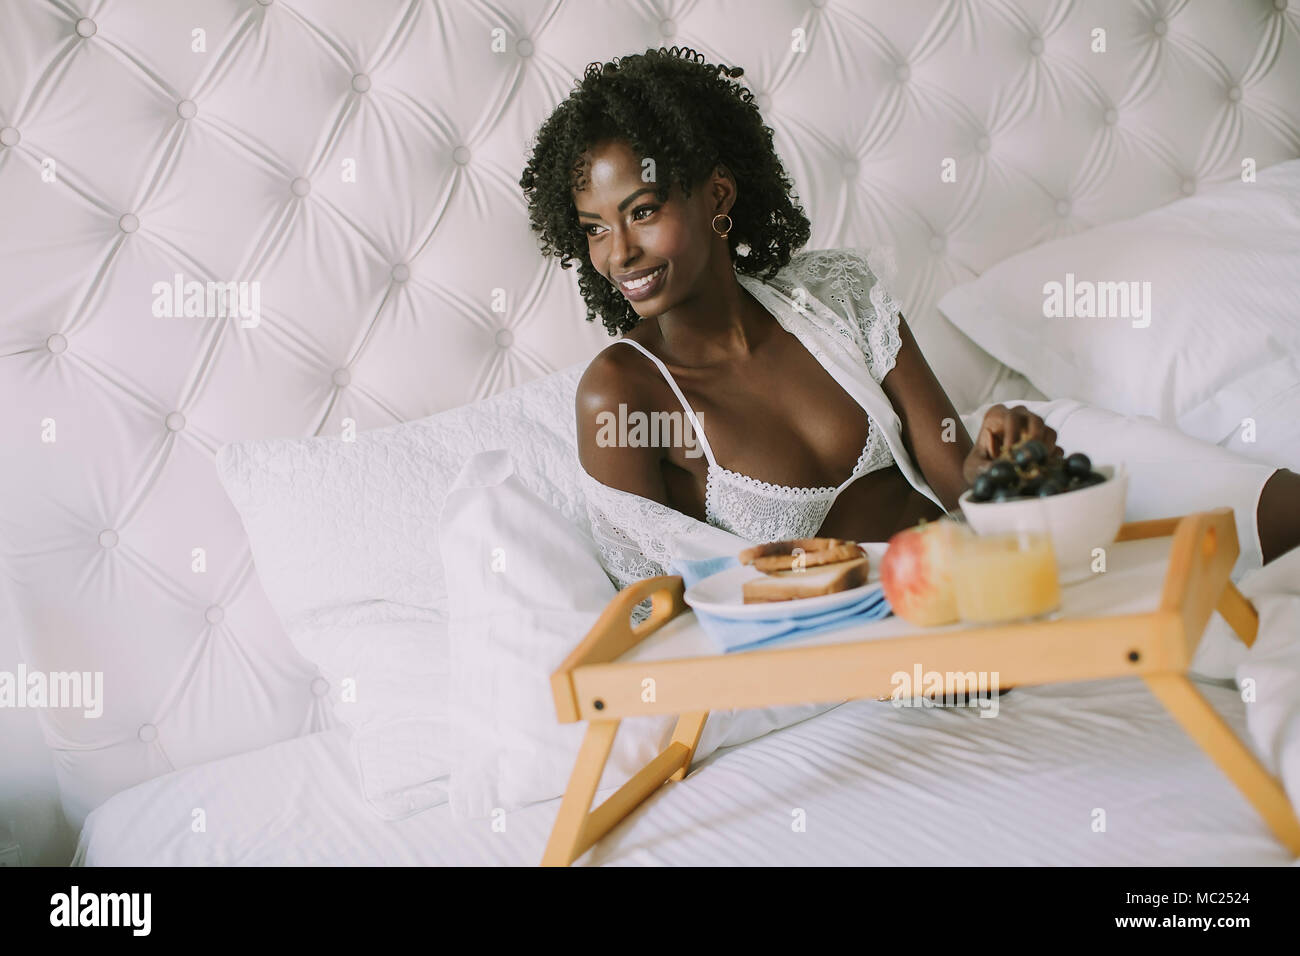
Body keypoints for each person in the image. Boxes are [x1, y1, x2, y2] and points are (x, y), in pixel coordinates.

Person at [519, 46, 1299, 597]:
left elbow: (954, 469)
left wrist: (999, 455)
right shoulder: (622, 394)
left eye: (643, 212)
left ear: (717, 197)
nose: (618, 252)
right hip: (892, 620)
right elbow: (659, 601)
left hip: (985, 545)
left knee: (1266, 512)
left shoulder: (839, 295)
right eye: (592, 227)